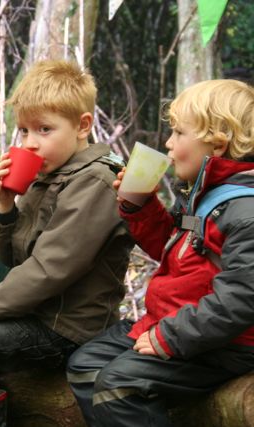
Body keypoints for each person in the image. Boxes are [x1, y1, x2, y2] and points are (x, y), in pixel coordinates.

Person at [0, 59, 134, 427]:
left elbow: (53, 266)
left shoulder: (96, 182)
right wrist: (5, 207)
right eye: (23, 130)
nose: (30, 142)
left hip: (67, 326)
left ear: (83, 126)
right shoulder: (46, 175)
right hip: (33, 312)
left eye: (44, 129)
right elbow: (10, 257)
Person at [66, 79, 254, 427]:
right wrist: (141, 207)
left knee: (118, 386)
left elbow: (241, 300)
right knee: (85, 366)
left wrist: (170, 337)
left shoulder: (244, 211)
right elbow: (176, 252)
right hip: (174, 320)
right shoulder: (202, 194)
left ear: (218, 143)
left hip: (223, 342)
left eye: (179, 133)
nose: (168, 142)